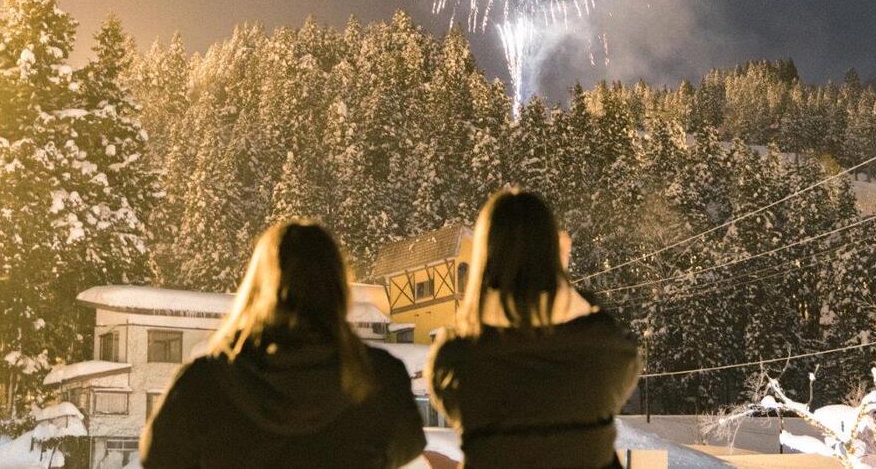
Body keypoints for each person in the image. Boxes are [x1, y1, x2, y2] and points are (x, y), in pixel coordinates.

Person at [141, 220, 426, 468]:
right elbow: (408, 442)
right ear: (338, 289)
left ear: (255, 289)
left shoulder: (203, 382)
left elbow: (159, 458)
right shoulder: (379, 378)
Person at [428, 189, 641, 468]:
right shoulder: (605, 347)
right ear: (553, 252)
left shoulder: (455, 358)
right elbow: (625, 358)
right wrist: (562, 281)